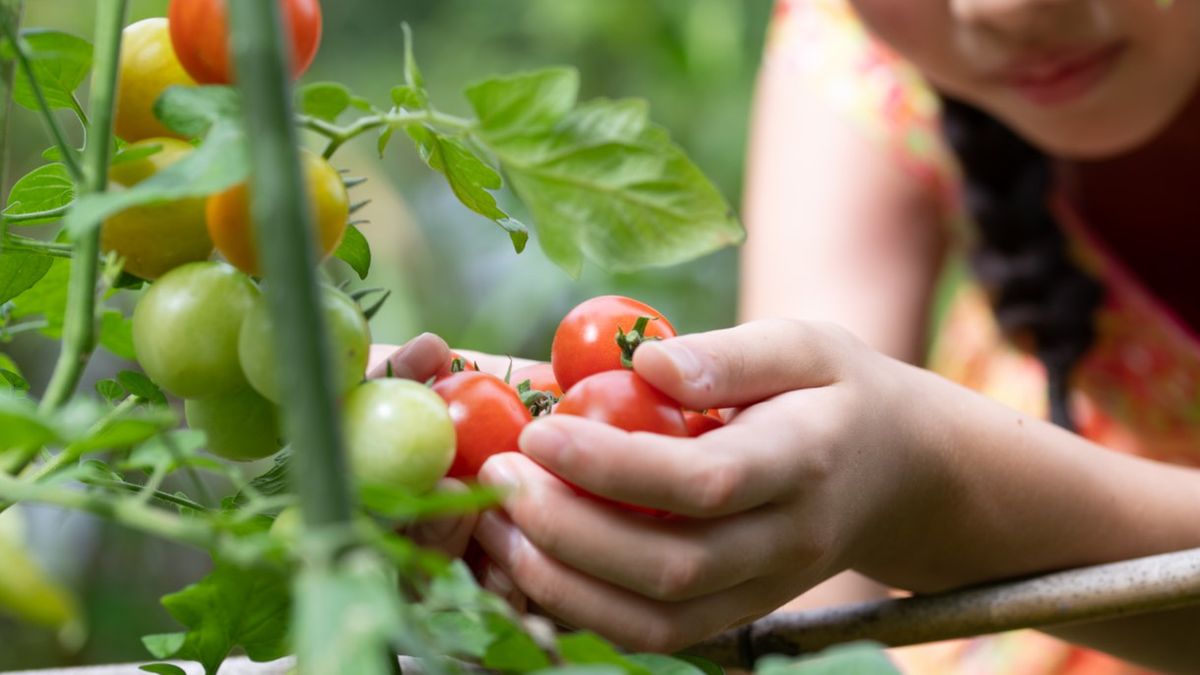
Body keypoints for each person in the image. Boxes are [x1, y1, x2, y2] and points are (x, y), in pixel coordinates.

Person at [371, 0, 1200, 672]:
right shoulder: (856, 50)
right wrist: (660, 536)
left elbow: (875, 474)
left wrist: (933, 493)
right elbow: (807, 590)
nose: (1000, 9)